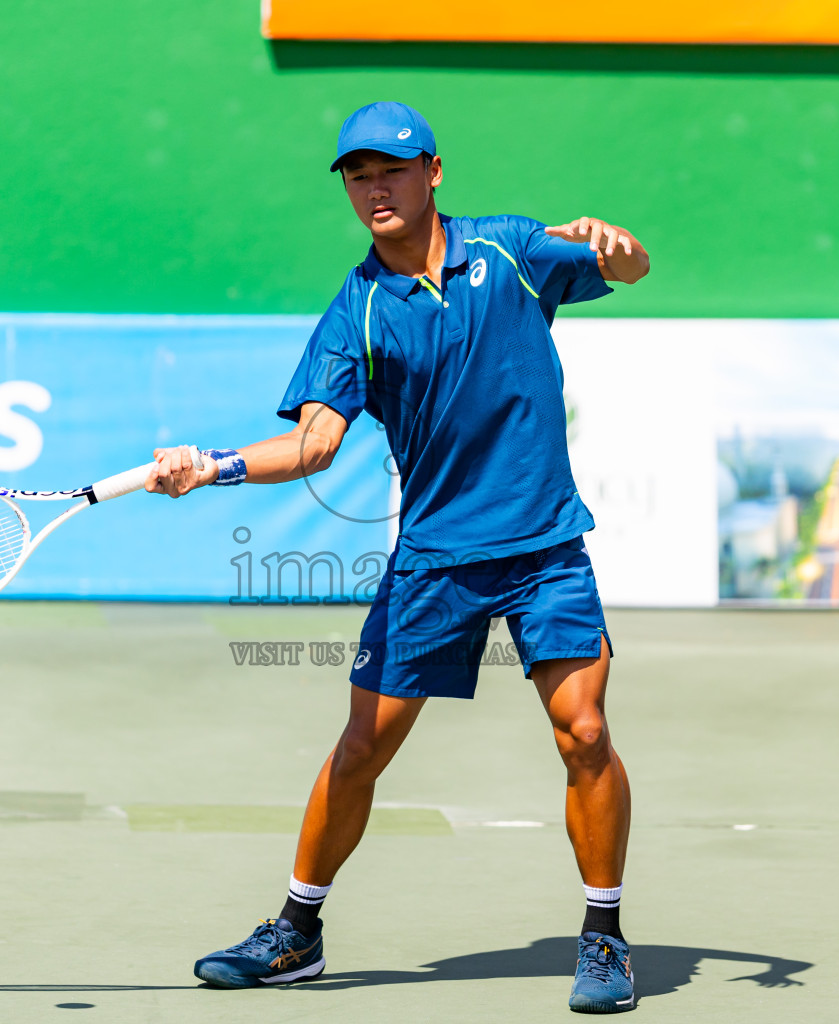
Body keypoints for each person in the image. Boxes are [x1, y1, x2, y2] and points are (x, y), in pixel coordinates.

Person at [146, 100, 650, 1014]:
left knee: (584, 732)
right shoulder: (359, 312)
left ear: (433, 172)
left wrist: (618, 249)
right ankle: (297, 933)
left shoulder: (513, 252)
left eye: (390, 170)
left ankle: (605, 937)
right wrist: (210, 467)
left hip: (543, 547)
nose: (373, 189)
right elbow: (310, 448)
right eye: (357, 175)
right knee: (361, 750)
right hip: (435, 560)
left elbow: (631, 267)